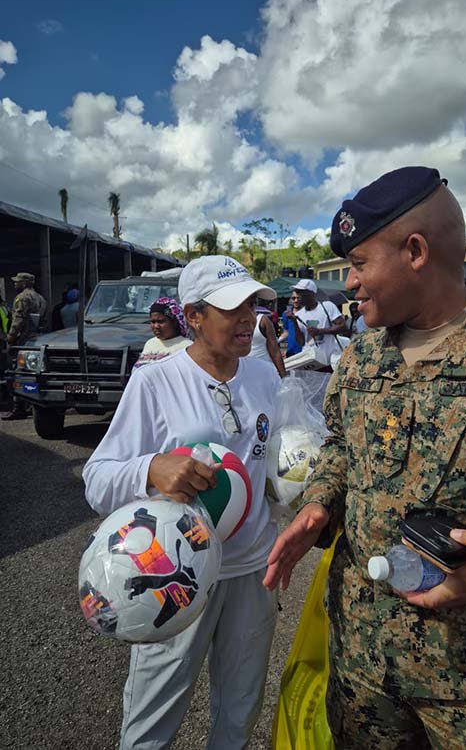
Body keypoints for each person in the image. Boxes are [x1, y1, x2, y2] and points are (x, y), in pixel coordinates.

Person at [264, 166, 466, 748]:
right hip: (363, 671)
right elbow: (342, 447)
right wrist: (318, 503)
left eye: (359, 265)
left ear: (415, 251)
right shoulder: (362, 359)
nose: (351, 284)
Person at [84, 255, 281, 749]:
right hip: (178, 576)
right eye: (231, 307)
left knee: (239, 712)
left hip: (253, 571)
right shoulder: (155, 381)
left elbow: (275, 466)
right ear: (193, 316)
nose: (246, 318)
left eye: (252, 305)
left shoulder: (264, 378)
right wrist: (150, 467)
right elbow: (97, 479)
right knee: (153, 717)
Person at [1, 272, 47, 421]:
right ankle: (30, 404)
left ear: (25, 283)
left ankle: (18, 407)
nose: (15, 284)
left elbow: (18, 320)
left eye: (18, 282)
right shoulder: (41, 298)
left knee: (17, 373)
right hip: (37, 340)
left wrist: (10, 337)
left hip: (23, 341)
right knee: (32, 374)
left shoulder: (22, 298)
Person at [289, 279, 346, 368]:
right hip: (310, 361)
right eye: (297, 292)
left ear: (312, 293)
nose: (298, 296)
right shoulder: (298, 314)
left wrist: (320, 331)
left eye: (301, 292)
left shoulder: (327, 306)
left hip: (328, 361)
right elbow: (301, 342)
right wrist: (294, 322)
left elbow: (343, 327)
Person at [133, 296, 192, 369]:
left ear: (174, 322)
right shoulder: (150, 343)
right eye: (153, 322)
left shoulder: (187, 347)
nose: (156, 326)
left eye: (160, 321)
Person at [249, 307, 287, 378]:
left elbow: (275, 352)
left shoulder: (263, 320)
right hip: (242, 374)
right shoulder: (232, 321)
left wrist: (284, 378)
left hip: (264, 373)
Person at [279, 292, 304, 358]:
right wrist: (278, 342)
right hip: (290, 351)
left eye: (298, 298)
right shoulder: (286, 314)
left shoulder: (307, 313)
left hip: (303, 350)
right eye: (294, 298)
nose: (296, 300)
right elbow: (286, 332)